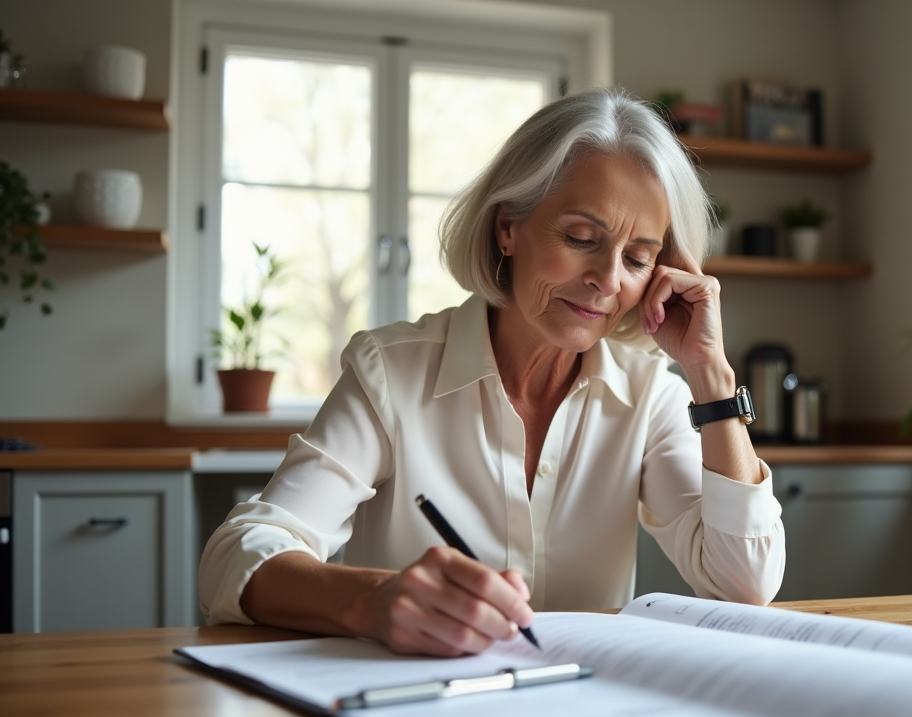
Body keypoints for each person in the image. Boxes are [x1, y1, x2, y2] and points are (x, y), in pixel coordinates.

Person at [199, 87, 785, 657]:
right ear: (508, 226)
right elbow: (236, 557)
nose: (608, 280)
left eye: (637, 259)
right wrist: (376, 600)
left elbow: (745, 583)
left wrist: (709, 372)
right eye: (581, 238)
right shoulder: (391, 373)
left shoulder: (650, 395)